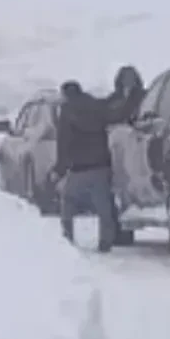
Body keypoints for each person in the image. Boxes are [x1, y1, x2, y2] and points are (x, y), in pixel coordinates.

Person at [54, 80, 119, 251]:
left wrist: (59, 169)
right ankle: (106, 241)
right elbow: (114, 118)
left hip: (78, 168)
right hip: (100, 166)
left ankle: (67, 239)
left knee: (68, 202)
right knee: (103, 205)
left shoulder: (67, 111)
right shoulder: (97, 106)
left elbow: (63, 142)